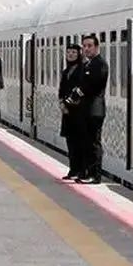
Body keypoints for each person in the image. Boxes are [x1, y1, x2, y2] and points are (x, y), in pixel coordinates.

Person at [76, 35, 109, 184]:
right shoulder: (88, 64)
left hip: (95, 109)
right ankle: (87, 172)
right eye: (84, 46)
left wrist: (80, 91)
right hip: (87, 108)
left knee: (94, 142)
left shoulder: (100, 64)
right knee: (86, 141)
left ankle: (95, 175)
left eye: (89, 46)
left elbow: (94, 85)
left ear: (96, 47)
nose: (86, 49)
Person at [57, 43, 87, 179]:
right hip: (67, 111)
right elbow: (62, 89)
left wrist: (72, 102)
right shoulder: (66, 71)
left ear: (79, 54)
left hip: (79, 111)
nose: (70, 54)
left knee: (80, 141)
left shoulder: (83, 69)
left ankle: (81, 170)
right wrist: (61, 103)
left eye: (74, 52)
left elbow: (82, 89)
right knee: (70, 141)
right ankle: (73, 169)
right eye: (69, 52)